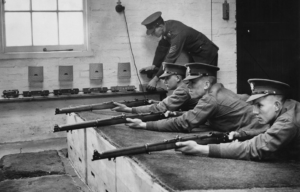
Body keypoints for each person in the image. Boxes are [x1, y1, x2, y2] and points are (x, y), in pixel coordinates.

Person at [126, 63, 268, 139]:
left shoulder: (210, 98)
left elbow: (184, 123)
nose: (188, 86)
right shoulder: (218, 91)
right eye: (187, 82)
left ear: (206, 84)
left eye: (193, 82)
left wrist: (145, 124)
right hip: (260, 127)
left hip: (257, 132)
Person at [176, 79, 300, 161]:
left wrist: (201, 149)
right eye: (253, 105)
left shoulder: (287, 121)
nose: (254, 111)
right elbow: (268, 131)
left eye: (259, 105)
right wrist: (240, 134)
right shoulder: (288, 107)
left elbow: (255, 149)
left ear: (277, 105)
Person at [140, 11, 219, 91]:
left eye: (153, 31)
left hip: (206, 53)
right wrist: (154, 65)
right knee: (196, 82)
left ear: (160, 26)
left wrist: (155, 79)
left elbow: (170, 59)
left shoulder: (176, 33)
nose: (152, 34)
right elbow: (162, 47)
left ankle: (213, 102)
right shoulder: (166, 27)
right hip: (195, 54)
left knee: (207, 83)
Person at [112, 63, 199, 113]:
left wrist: (129, 109)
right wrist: (159, 102)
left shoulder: (182, 90)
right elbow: (173, 104)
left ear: (178, 78)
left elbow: (160, 108)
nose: (164, 82)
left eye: (167, 78)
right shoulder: (184, 87)